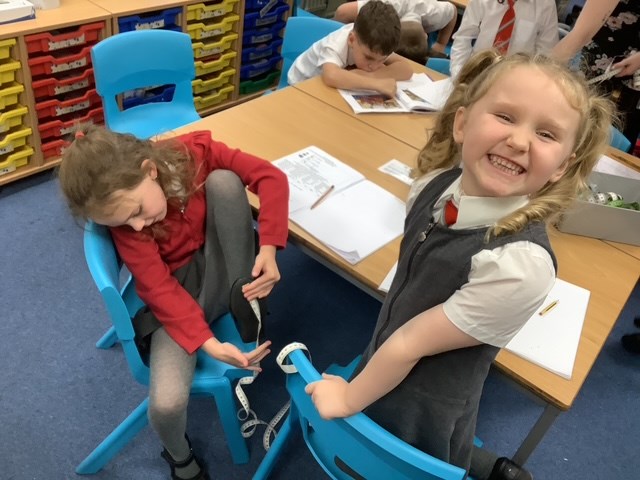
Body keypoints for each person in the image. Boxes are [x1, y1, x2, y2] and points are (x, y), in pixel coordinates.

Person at [305, 50, 613, 480]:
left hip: (425, 411)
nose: (519, 141)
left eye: (545, 134)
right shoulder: (434, 186)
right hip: (382, 359)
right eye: (505, 116)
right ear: (463, 123)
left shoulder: (519, 266)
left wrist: (349, 399)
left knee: (416, 463)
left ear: (562, 165)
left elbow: (409, 343)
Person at [58, 126, 290, 480]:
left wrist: (270, 248)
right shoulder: (129, 225)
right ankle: (181, 459)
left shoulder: (194, 154)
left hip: (223, 263)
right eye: (124, 223)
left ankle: (242, 295)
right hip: (176, 296)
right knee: (166, 404)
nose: (137, 226)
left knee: (225, 182)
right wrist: (209, 344)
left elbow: (271, 177)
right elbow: (160, 290)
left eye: (136, 211)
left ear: (150, 170)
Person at [552, 0, 639, 150]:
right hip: (601, 68)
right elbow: (581, 34)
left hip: (630, 85)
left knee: (615, 147)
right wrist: (545, 74)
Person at [287, 0, 413, 97]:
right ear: (351, 40)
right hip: (299, 86)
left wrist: (370, 75)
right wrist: (376, 83)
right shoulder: (336, 44)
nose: (374, 66)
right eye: (369, 58)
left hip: (327, 89)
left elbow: (406, 69)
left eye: (382, 60)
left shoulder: (374, 45)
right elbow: (331, 76)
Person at [449, 0, 559, 79]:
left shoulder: (546, 5)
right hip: (476, 73)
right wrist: (458, 77)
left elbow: (546, 59)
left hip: (515, 81)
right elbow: (463, 38)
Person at [333, 0, 458, 59]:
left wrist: (440, 44)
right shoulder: (385, 6)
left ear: (425, 35)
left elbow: (453, 11)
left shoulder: (433, 12)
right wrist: (340, 44)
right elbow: (342, 12)